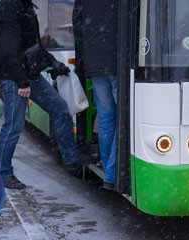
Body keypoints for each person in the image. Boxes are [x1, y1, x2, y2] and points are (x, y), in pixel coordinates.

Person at [0, 0, 95, 189]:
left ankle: (71, 157)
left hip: (30, 75)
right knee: (13, 127)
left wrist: (52, 64)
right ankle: (3, 172)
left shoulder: (26, 6)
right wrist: (22, 81)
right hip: (16, 78)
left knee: (59, 108)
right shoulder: (9, 6)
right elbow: (8, 50)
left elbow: (34, 46)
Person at [73, 0, 118, 190]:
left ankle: (108, 171)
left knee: (106, 117)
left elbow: (78, 25)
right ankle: (113, 172)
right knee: (124, 119)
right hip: (116, 60)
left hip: (95, 62)